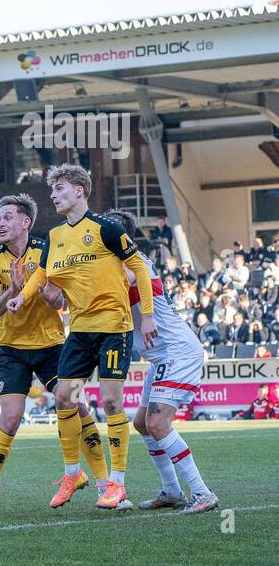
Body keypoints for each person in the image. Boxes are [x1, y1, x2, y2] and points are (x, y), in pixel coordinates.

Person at [9, 164, 156, 511]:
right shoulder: (56, 237)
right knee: (64, 396)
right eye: (52, 190)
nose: (54, 196)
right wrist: (22, 297)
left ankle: (117, 483)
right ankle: (73, 472)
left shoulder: (107, 228)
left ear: (79, 191)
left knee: (110, 402)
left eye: (59, 189)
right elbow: (42, 273)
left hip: (113, 329)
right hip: (80, 332)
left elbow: (138, 268)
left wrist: (147, 316)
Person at [0, 194, 110, 518]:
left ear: (25, 222)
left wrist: (43, 288)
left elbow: (56, 301)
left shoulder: (48, 247)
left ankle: (105, 486)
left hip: (53, 347)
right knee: (10, 417)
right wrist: (13, 290)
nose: (0, 224)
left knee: (79, 405)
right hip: (11, 350)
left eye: (7, 217)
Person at [104, 210, 219, 515]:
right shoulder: (123, 263)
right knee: (142, 424)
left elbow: (126, 284)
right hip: (161, 357)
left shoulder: (135, 263)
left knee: (157, 423)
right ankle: (171, 491)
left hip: (177, 352)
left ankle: (202, 492)